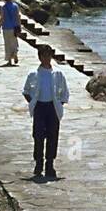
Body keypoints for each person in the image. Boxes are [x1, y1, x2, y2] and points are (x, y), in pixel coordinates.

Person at [23, 43, 69, 181]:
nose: (46, 59)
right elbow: (26, 90)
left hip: (52, 108)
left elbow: (64, 92)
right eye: (44, 56)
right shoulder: (34, 74)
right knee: (38, 136)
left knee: (52, 136)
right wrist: (33, 103)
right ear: (39, 57)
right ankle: (38, 163)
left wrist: (59, 103)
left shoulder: (58, 74)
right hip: (40, 107)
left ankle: (50, 164)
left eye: (48, 56)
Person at [0, 0, 21, 66]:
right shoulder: (15, 6)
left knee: (7, 44)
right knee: (14, 42)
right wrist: (19, 26)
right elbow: (18, 17)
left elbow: (2, 18)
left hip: (6, 27)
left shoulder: (3, 7)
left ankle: (9, 60)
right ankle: (15, 53)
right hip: (14, 27)